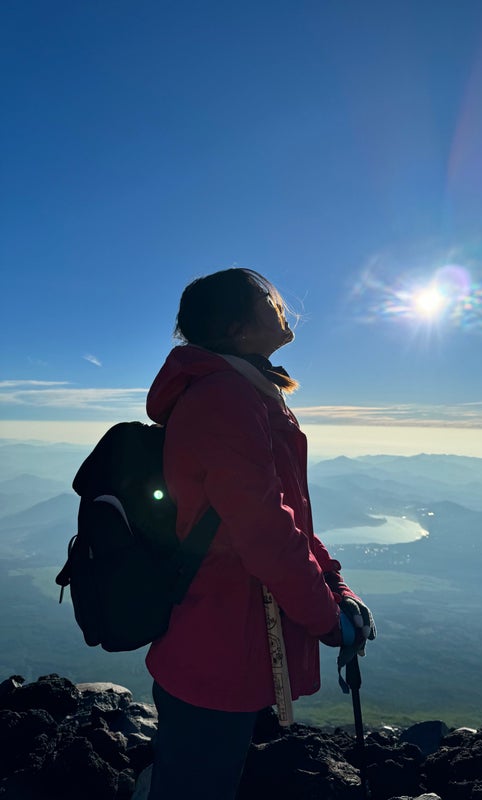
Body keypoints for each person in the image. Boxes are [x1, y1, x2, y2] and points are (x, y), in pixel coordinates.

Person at [146, 268, 375, 799]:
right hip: (218, 649)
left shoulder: (245, 392)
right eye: (267, 300)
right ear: (236, 327)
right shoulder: (226, 398)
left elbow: (287, 517)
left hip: (224, 641)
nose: (280, 304)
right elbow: (265, 532)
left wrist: (335, 586)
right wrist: (325, 619)